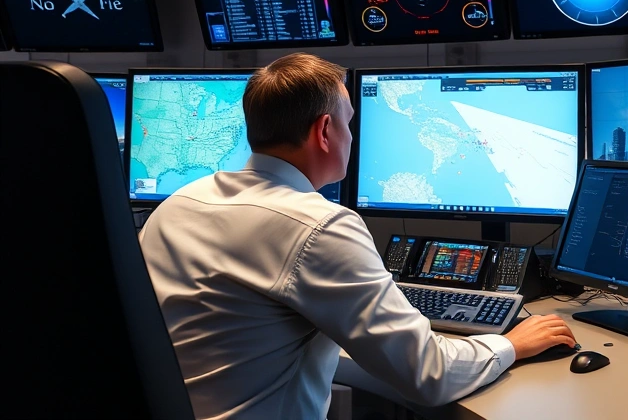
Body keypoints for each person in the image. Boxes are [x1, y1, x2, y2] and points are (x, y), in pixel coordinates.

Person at [139, 53, 577, 419]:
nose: (352, 136)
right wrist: (510, 344)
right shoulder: (319, 226)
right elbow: (429, 375)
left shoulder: (178, 205)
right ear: (325, 131)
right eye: (349, 123)